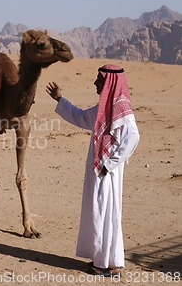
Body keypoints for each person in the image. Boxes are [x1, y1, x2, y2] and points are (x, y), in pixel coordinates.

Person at [46, 65, 140, 277]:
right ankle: (102, 260)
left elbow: (133, 137)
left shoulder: (122, 109)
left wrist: (111, 163)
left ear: (110, 82)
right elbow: (80, 117)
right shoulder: (103, 109)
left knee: (107, 212)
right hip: (100, 169)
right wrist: (60, 100)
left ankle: (110, 264)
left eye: (99, 80)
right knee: (98, 211)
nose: (95, 83)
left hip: (108, 172)